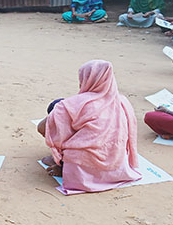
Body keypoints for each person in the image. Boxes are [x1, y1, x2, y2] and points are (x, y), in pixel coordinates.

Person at [36, 60, 140, 193]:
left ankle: (63, 164)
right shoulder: (123, 101)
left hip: (82, 169)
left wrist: (60, 115)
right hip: (116, 164)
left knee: (57, 112)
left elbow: (41, 128)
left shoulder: (73, 105)